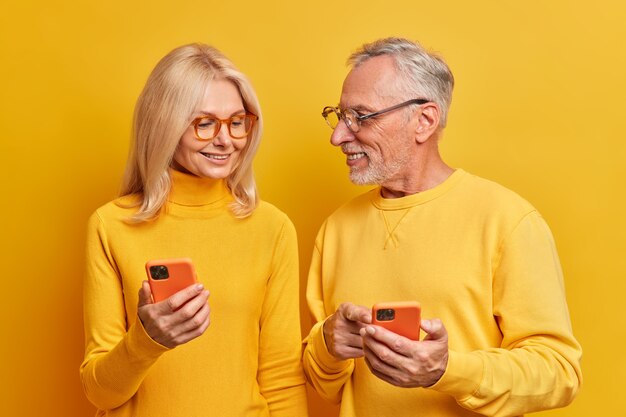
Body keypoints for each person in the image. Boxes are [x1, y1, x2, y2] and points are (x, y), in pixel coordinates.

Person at [302, 37, 582, 417]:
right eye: (339, 116)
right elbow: (323, 384)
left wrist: (447, 370)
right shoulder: (336, 229)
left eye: (361, 117)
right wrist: (328, 345)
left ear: (424, 120)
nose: (338, 136)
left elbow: (559, 372)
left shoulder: (508, 220)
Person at [80, 43, 308, 417]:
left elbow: (281, 376)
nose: (226, 140)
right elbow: (99, 393)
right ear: (163, 125)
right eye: (204, 123)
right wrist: (146, 340)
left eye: (237, 122)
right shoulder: (111, 225)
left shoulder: (272, 227)